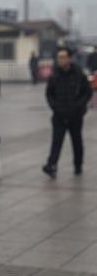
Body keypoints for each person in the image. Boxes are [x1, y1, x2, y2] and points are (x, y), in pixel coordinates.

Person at [42, 47, 92, 178]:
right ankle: (51, 165)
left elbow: (87, 92)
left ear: (69, 58)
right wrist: (55, 107)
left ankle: (78, 165)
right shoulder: (54, 75)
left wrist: (79, 106)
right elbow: (49, 94)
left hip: (75, 116)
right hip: (59, 115)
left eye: (63, 57)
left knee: (77, 142)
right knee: (56, 142)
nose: (60, 60)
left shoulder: (79, 74)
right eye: (59, 57)